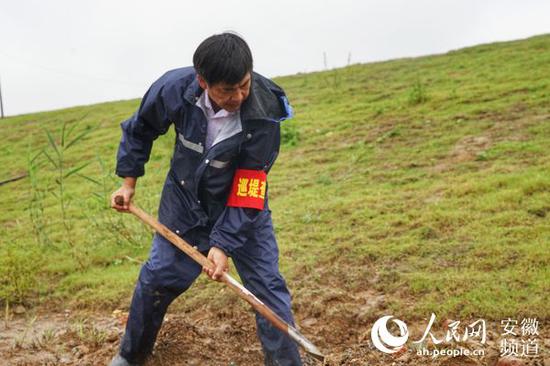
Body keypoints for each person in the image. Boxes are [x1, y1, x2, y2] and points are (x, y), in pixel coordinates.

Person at [109, 32, 302, 366]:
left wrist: (224, 243)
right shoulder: (173, 89)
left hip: (242, 205)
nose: (239, 96)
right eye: (227, 90)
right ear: (202, 81)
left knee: (267, 289)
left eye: (244, 84)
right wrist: (129, 184)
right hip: (184, 203)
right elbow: (141, 129)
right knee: (156, 278)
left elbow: (250, 181)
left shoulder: (266, 107)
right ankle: (130, 356)